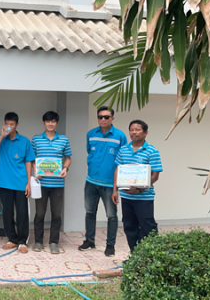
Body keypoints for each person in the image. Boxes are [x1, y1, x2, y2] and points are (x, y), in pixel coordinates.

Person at [78, 106, 127, 257]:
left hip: (109, 184)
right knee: (90, 212)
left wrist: (116, 187)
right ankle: (89, 240)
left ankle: (110, 245)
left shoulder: (120, 136)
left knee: (111, 216)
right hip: (91, 181)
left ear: (112, 118)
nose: (103, 120)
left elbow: (123, 160)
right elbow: (89, 152)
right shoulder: (91, 134)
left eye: (106, 117)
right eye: (100, 117)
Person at [0, 112, 35, 254]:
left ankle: (22, 241)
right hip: (4, 183)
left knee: (22, 213)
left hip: (21, 183)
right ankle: (12, 239)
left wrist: (28, 182)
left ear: (17, 125)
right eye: (7, 124)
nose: (9, 127)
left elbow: (28, 161)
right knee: (7, 213)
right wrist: (2, 136)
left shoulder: (25, 141)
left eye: (12, 124)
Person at [112, 120, 162, 252]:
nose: (134, 132)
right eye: (131, 129)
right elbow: (118, 170)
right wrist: (115, 190)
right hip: (126, 197)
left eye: (138, 129)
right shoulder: (123, 150)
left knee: (147, 227)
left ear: (145, 133)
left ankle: (151, 257)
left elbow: (155, 176)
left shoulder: (152, 151)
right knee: (130, 227)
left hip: (144, 198)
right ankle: (135, 256)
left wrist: (139, 189)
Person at [31, 111, 72, 255]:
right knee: (40, 214)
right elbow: (31, 158)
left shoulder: (63, 140)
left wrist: (65, 168)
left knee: (56, 215)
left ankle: (54, 242)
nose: (50, 124)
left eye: (53, 121)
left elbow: (68, 158)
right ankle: (38, 241)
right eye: (47, 121)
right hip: (41, 183)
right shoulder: (36, 139)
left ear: (57, 123)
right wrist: (36, 170)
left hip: (57, 184)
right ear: (43, 123)